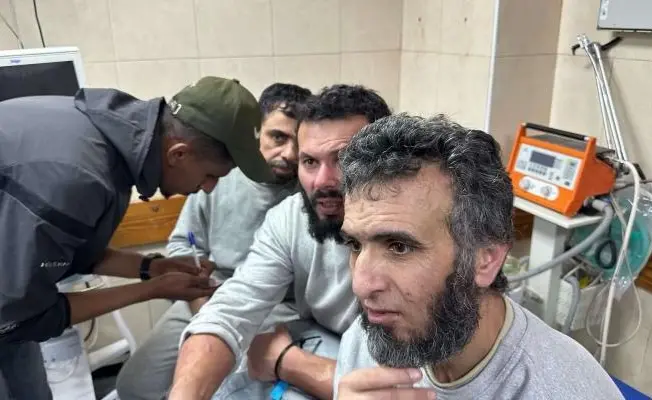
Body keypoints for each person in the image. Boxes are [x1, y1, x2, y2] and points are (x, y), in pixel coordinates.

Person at [0, 76, 273, 400]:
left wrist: (152, 268)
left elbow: (74, 252)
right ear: (178, 154)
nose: (209, 187)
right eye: (210, 175)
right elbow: (24, 316)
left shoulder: (110, 136)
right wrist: (152, 289)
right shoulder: (78, 177)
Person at [333, 114, 625, 400]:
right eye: (355, 245)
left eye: (399, 247)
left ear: (486, 259)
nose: (361, 285)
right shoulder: (373, 332)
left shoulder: (566, 389)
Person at [168, 85, 392, 400]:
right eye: (309, 162)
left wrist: (286, 360)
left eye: (343, 160)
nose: (322, 181)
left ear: (388, 162)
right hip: (324, 339)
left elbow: (407, 387)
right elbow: (233, 308)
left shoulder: (416, 233)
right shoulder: (290, 217)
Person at [115, 82, 312, 400]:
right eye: (278, 137)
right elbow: (182, 245)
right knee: (135, 387)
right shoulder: (215, 177)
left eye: (299, 143)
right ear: (256, 134)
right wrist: (201, 303)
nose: (289, 154)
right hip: (205, 296)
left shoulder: (311, 194)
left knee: (226, 391)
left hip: (274, 309)